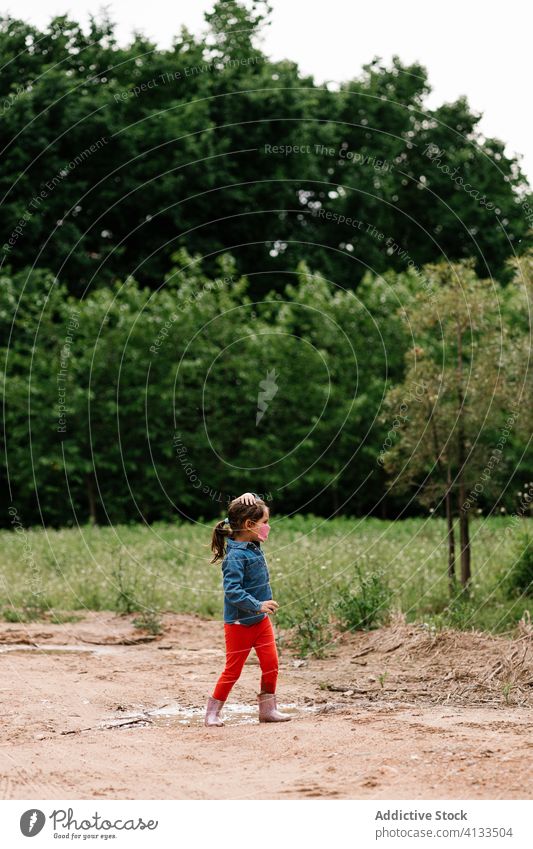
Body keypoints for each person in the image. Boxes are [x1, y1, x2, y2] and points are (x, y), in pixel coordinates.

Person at [204, 492, 291, 726]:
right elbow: (232, 591)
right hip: (239, 624)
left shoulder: (251, 543)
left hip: (260, 622)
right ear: (249, 525)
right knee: (233, 671)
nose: (268, 528)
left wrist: (250, 496)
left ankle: (268, 710)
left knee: (271, 665)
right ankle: (212, 713)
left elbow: (234, 515)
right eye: (264, 523)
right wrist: (258, 605)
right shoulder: (235, 556)